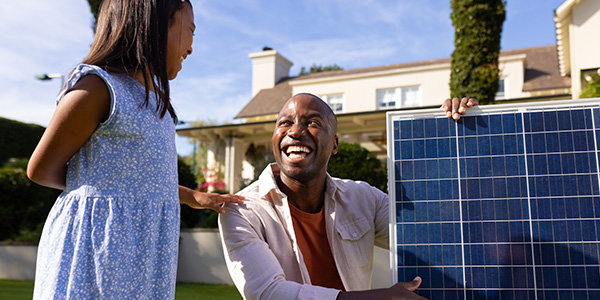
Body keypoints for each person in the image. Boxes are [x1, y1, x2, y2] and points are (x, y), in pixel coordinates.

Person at [26, 0, 243, 298]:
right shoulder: (99, 88)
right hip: (95, 252)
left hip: (145, 255)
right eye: (190, 30)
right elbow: (41, 170)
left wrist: (192, 196)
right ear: (155, 26)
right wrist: (105, 193)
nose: (191, 47)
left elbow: (140, 178)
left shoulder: (159, 107)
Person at [218, 93, 476, 299]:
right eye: (285, 122)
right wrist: (377, 299)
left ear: (334, 144)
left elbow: (433, 233)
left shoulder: (365, 198)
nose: (295, 131)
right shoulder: (241, 210)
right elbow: (268, 293)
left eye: (313, 123)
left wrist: (456, 136)